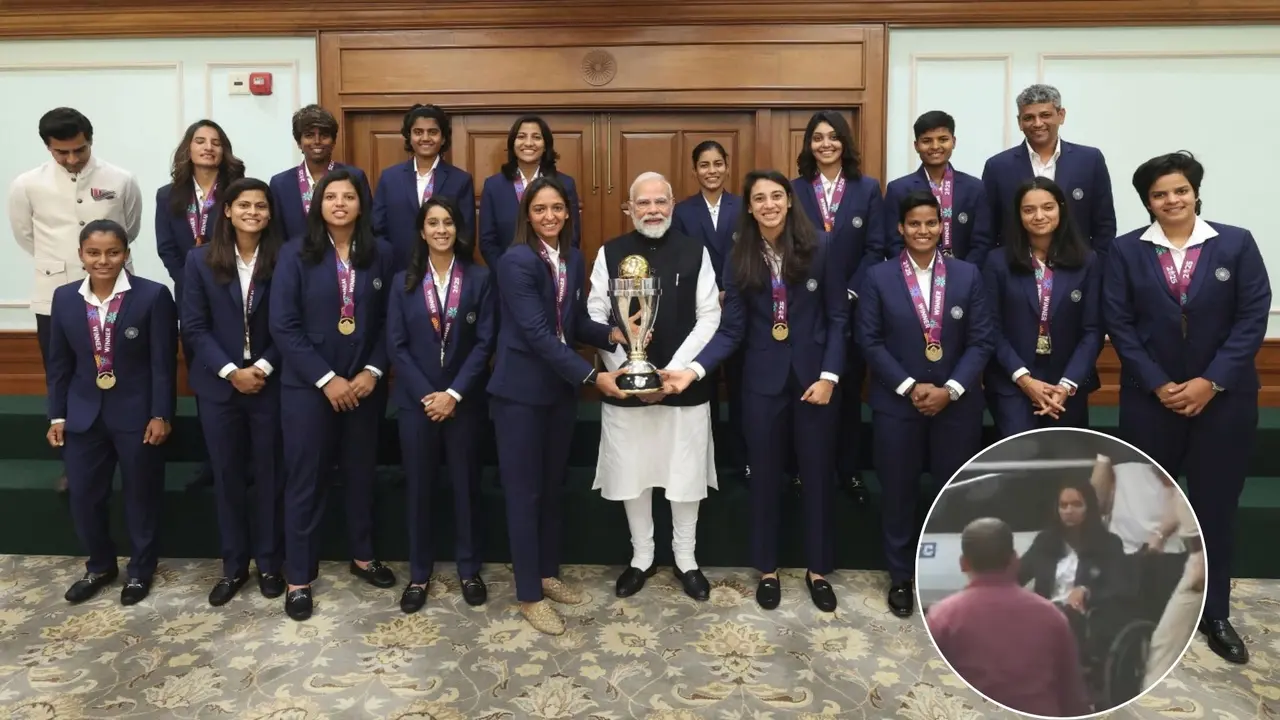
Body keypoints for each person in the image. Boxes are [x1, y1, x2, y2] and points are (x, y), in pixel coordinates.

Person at [1103, 151, 1269, 665]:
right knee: (1150, 513)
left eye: (1180, 190)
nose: (1171, 200)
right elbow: (1119, 323)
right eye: (1159, 194)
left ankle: (1213, 610)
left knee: (1215, 509)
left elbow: (1252, 318)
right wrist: (1159, 384)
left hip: (1224, 404)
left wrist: (1209, 383)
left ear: (1196, 191)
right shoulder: (1126, 250)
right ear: (1147, 202)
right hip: (1151, 403)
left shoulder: (1235, 243)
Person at [664, 169, 847, 613]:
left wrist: (830, 377)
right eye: (759, 198)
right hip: (762, 384)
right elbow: (731, 331)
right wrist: (693, 370)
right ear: (749, 206)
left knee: (818, 476)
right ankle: (767, 568)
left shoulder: (820, 246)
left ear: (789, 201)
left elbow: (839, 318)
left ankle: (818, 569)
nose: (768, 204)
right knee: (764, 477)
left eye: (776, 196)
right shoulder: (739, 254)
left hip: (814, 382)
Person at [487, 175, 628, 635]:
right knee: (525, 494)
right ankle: (529, 594)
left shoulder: (571, 256)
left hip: (557, 394)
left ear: (568, 213)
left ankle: (547, 574)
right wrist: (592, 376)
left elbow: (571, 322)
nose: (550, 216)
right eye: (540, 209)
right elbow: (537, 334)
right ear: (527, 215)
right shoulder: (516, 261)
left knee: (550, 489)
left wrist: (610, 332)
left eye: (558, 208)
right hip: (521, 396)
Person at [857, 190, 993, 618]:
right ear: (900, 228)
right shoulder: (878, 277)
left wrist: (950, 389)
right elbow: (869, 341)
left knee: (952, 495)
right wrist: (909, 386)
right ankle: (900, 576)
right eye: (913, 223)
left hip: (957, 406)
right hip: (898, 405)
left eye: (930, 223)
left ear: (942, 227)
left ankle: (946, 579)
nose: (923, 230)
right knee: (898, 493)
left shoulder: (968, 275)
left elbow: (981, 340)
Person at [269, 169, 397, 621]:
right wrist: (326, 379)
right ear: (317, 204)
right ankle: (299, 576)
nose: (340, 203)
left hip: (364, 386)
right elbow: (283, 325)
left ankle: (363, 556)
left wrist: (373, 370)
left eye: (349, 196)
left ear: (362, 204)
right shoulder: (294, 254)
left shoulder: (381, 253)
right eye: (331, 197)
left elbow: (390, 321)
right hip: (308, 389)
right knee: (306, 480)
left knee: (362, 474)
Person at [588, 172, 720, 602]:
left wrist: (673, 373)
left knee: (684, 476)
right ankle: (642, 557)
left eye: (660, 202)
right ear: (629, 208)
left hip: (683, 389)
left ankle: (686, 558)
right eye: (642, 203)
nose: (652, 210)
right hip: (628, 391)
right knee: (635, 475)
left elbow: (709, 317)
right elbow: (596, 318)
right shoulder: (611, 253)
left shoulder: (695, 250)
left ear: (673, 203)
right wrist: (630, 372)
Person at [9, 107, 142, 495]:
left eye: (78, 150)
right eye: (61, 152)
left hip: (116, 294)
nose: (71, 159)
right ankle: (74, 464)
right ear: (48, 148)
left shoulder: (120, 178)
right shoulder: (27, 184)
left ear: (90, 139)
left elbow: (128, 227)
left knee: (123, 370)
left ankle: (127, 455)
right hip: (55, 296)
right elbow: (24, 234)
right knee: (62, 376)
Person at [45, 219, 176, 606]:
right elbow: (58, 365)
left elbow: (163, 365)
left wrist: (160, 414)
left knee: (141, 494)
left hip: (138, 415)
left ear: (126, 254)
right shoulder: (65, 298)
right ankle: (100, 565)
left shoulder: (152, 296)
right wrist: (57, 415)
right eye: (94, 253)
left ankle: (140, 570)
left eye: (113, 252)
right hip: (83, 415)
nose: (104, 260)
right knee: (84, 495)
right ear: (81, 255)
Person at [181, 178, 286, 605]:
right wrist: (230, 371)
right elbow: (194, 325)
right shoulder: (199, 260)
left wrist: (260, 366)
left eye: (261, 206)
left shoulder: (286, 258)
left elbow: (293, 322)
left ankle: (271, 562)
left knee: (270, 476)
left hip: (270, 383)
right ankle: (233, 566)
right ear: (226, 210)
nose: (253, 212)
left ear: (270, 213)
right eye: (244, 205)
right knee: (226, 477)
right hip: (220, 388)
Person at [387, 196, 494, 613]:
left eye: (448, 222)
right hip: (418, 404)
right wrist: (428, 394)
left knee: (467, 487)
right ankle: (419, 573)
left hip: (463, 402)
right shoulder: (403, 283)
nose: (441, 230)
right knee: (419, 489)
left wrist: (453, 394)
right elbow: (395, 345)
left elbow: (486, 342)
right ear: (421, 230)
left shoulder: (480, 279)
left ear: (458, 229)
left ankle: (469, 569)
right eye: (433, 222)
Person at [792, 110, 884, 500]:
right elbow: (788, 249)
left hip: (854, 306)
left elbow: (877, 247)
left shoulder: (867, 189)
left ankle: (849, 470)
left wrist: (848, 292)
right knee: (804, 389)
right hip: (807, 310)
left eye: (833, 137)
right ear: (809, 145)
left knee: (845, 391)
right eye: (817, 137)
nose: (825, 144)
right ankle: (802, 469)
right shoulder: (794, 189)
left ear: (844, 143)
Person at [156, 119, 246, 491]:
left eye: (216, 142)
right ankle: (215, 461)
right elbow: (167, 248)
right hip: (191, 297)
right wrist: (192, 281)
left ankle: (249, 459)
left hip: (237, 293)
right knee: (208, 376)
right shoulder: (168, 195)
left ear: (224, 150)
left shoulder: (237, 191)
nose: (208, 147)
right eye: (200, 141)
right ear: (188, 149)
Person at [926, 518, 1093, 717]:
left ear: (963, 564)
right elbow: (1073, 698)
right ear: (1014, 559)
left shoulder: (942, 618)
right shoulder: (1052, 617)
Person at [983, 178, 1101, 438]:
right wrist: (1025, 380)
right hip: (1012, 381)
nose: (1039, 216)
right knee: (1021, 460)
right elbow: (991, 328)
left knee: (1065, 467)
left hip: (1068, 380)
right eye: (1029, 210)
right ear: (1018, 215)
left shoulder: (1087, 261)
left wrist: (1067, 384)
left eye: (1048, 207)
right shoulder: (997, 262)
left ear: (1061, 209)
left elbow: (1092, 330)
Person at [671, 141, 747, 477]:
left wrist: (731, 289)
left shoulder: (744, 206)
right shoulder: (684, 211)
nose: (712, 171)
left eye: (718, 163)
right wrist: (709, 292)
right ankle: (706, 460)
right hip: (698, 310)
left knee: (742, 386)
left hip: (739, 304)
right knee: (703, 385)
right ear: (694, 170)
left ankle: (743, 458)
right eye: (704, 164)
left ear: (727, 166)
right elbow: (679, 259)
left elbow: (752, 253)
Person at [982, 84, 1116, 258]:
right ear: (1020, 122)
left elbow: (1104, 223)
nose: (1038, 123)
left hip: (1078, 267)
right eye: (1029, 117)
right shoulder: (998, 166)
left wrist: (1098, 268)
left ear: (1061, 116)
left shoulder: (1090, 160)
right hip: (1017, 269)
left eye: (1045, 115)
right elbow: (988, 228)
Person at [373, 104, 476, 272]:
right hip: (397, 270)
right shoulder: (389, 178)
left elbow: (466, 233)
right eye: (418, 132)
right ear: (409, 136)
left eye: (433, 132)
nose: (425, 138)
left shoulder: (461, 180)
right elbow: (377, 228)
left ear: (443, 138)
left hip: (445, 272)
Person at [884, 111, 993, 268]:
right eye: (927, 141)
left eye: (943, 139)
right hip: (913, 277)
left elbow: (982, 242)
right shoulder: (898, 189)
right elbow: (893, 242)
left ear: (953, 142)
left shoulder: (975, 188)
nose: (935, 147)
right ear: (916, 146)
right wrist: (915, 272)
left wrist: (964, 274)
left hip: (964, 279)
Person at [478, 114, 582, 269]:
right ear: (513, 143)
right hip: (507, 275)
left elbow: (571, 236)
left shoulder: (565, 184)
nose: (528, 143)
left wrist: (555, 270)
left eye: (536, 137)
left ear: (546, 144)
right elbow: (487, 241)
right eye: (521, 136)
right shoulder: (494, 185)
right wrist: (505, 270)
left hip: (554, 274)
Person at [268, 104, 370, 241]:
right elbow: (277, 234)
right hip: (297, 260)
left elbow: (366, 225)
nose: (317, 141)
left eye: (324, 135)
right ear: (299, 142)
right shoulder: (280, 184)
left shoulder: (354, 176)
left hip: (346, 258)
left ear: (333, 142)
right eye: (309, 135)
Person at [1144, 495, 1205, 688]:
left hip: (1199, 563)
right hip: (1193, 558)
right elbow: (1177, 500)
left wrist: (1203, 558)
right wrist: (1161, 534)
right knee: (1165, 642)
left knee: (1165, 644)